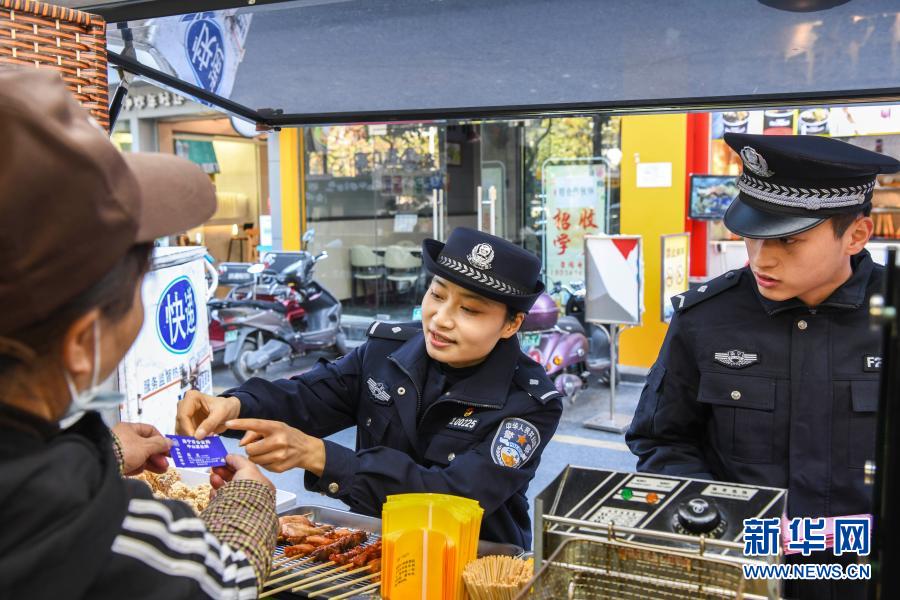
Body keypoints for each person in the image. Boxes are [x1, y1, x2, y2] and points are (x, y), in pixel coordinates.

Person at [0, 70, 278, 598]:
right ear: (82, 344)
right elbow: (221, 582)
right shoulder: (76, 524)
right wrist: (248, 503)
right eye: (136, 289)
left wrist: (102, 448)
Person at [626, 133, 898, 600]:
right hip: (743, 572)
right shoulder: (706, 319)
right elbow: (662, 440)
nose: (761, 258)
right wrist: (722, 514)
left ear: (855, 235)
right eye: (752, 235)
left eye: (789, 240)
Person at [177, 227, 564, 548]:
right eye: (437, 294)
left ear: (511, 324)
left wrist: (319, 455)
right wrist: (234, 406)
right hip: (376, 545)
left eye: (470, 310)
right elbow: (309, 396)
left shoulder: (530, 402)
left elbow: (454, 497)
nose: (440, 319)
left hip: (475, 560)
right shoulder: (386, 350)